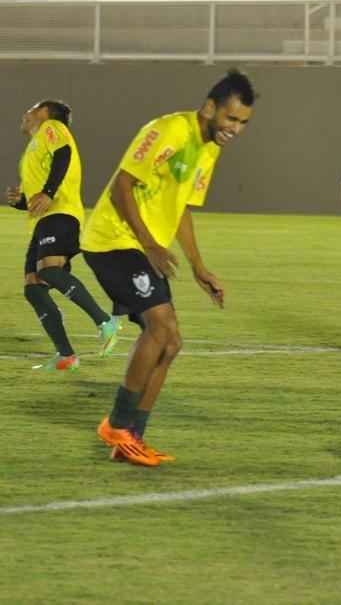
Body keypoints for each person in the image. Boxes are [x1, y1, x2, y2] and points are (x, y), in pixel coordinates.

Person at [84, 69, 255, 466]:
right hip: (113, 240)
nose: (236, 129)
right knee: (160, 327)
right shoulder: (169, 131)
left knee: (171, 342)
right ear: (209, 108)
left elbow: (180, 210)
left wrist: (199, 266)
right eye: (231, 118)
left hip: (145, 249)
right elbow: (121, 186)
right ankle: (117, 424)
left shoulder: (209, 149)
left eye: (244, 123)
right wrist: (150, 244)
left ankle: (131, 440)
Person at [7, 99, 119, 371]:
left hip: (62, 213)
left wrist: (48, 192)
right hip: (43, 221)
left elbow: (64, 154)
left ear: (46, 113)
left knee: (50, 272)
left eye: (32, 108)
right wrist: (20, 201)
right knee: (34, 288)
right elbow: (33, 200)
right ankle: (66, 355)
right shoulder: (32, 152)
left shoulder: (53, 127)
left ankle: (106, 321)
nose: (26, 113)